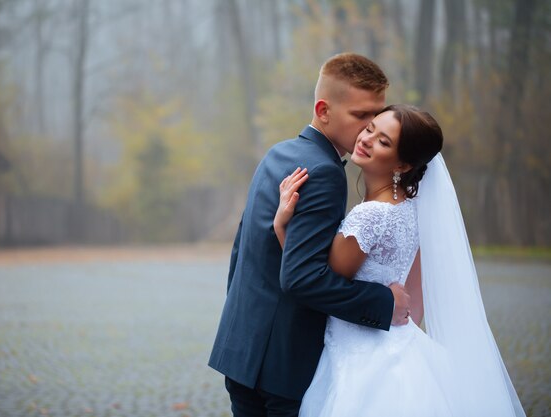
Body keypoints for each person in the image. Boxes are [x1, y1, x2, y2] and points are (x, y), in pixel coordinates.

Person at [274, 104, 525, 417]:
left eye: (383, 142)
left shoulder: (370, 215)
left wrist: (282, 228)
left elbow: (319, 280)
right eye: (370, 129)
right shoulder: (410, 208)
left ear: (403, 165)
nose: (366, 139)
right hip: (400, 346)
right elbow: (413, 299)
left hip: (360, 361)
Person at [208, 53, 412, 417]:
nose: (369, 129)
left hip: (241, 350)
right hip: (282, 366)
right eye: (361, 116)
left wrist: (244, 332)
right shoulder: (325, 173)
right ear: (324, 110)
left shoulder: (278, 153)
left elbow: (241, 253)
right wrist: (384, 302)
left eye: (376, 117)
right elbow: (301, 278)